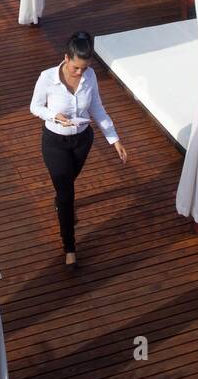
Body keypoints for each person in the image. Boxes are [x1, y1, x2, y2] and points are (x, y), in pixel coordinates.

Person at [30, 31, 128, 268]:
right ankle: (70, 248)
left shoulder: (90, 76)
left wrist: (115, 140)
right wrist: (54, 116)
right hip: (54, 142)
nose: (80, 73)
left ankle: (60, 201)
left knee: (66, 186)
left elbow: (97, 108)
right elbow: (34, 107)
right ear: (66, 58)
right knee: (67, 194)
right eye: (76, 68)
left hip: (83, 141)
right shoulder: (46, 78)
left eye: (84, 68)